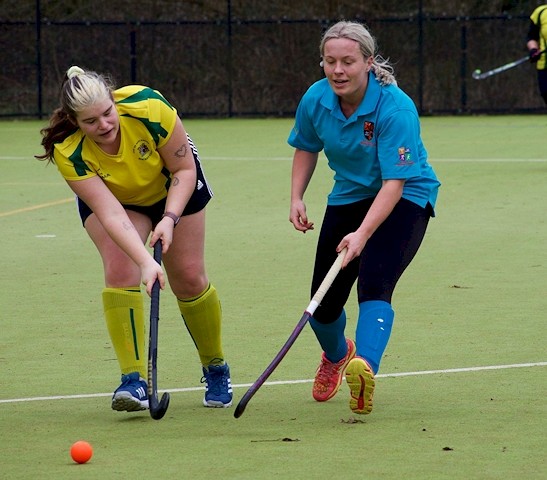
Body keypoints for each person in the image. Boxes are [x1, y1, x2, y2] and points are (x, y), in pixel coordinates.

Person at [36, 66, 232, 412]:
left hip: (173, 183)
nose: (104, 126)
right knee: (120, 268)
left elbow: (185, 171)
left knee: (188, 277)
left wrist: (169, 219)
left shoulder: (148, 107)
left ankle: (215, 368)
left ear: (114, 101)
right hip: (120, 200)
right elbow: (110, 213)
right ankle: (133, 381)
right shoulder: (69, 150)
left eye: (107, 113)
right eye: (90, 122)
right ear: (74, 120)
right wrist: (145, 262)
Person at [287, 21, 440, 415]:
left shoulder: (396, 108)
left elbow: (393, 183)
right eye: (330, 61)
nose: (338, 70)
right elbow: (306, 146)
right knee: (322, 308)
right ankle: (339, 356)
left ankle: (364, 370)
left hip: (406, 194)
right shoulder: (315, 99)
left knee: (375, 281)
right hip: (350, 194)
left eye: (348, 62)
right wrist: (296, 197)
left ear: (369, 63)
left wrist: (362, 235)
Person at [526, 4, 547, 104]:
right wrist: (533, 50)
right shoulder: (540, 13)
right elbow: (531, 37)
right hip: (544, 65)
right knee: (545, 92)